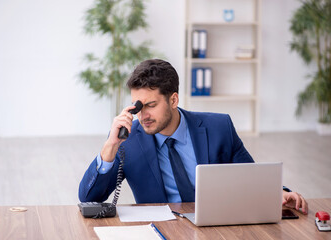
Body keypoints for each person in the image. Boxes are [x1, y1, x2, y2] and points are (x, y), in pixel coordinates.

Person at [79, 59, 308, 214]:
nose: (143, 115)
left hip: (217, 227)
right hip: (162, 231)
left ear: (174, 100)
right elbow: (89, 198)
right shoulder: (129, 141)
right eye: (138, 106)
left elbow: (251, 176)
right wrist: (110, 145)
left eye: (151, 105)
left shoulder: (219, 127)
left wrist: (280, 192)